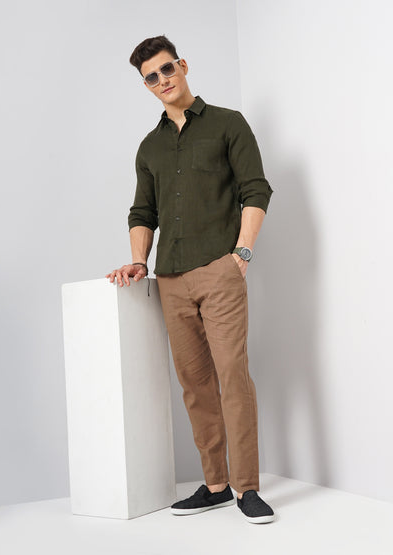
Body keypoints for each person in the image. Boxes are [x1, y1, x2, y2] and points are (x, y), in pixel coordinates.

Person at [105, 35, 275, 524]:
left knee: (232, 377)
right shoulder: (150, 147)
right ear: (146, 85)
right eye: (151, 77)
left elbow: (255, 189)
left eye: (166, 69)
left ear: (182, 64)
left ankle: (246, 488)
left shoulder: (227, 123)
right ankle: (216, 485)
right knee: (195, 384)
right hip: (171, 279)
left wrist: (241, 254)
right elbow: (143, 211)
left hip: (220, 270)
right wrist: (139, 261)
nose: (162, 80)